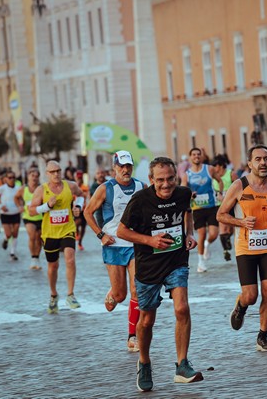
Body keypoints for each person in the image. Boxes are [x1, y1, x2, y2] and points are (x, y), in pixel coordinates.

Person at [116, 157, 203, 391]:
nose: (166, 185)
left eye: (170, 179)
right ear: (152, 180)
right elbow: (121, 231)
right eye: (161, 180)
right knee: (147, 320)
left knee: (182, 308)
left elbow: (187, 213)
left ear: (176, 177)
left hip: (176, 260)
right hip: (148, 266)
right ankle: (144, 363)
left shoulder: (183, 194)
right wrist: (149, 240)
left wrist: (189, 234)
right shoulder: (140, 201)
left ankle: (182, 365)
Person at [217, 145, 267, 351]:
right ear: (250, 163)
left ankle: (262, 336)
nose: (263, 163)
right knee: (251, 295)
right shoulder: (239, 186)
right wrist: (241, 222)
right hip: (246, 248)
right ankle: (241, 306)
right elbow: (221, 214)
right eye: (258, 159)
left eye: (266, 159)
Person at [84, 150, 146, 353]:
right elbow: (87, 212)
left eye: (128, 166)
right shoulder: (105, 188)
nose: (125, 170)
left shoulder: (140, 186)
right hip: (113, 245)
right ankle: (113, 291)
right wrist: (100, 234)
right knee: (120, 296)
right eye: (122, 166)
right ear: (114, 168)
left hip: (134, 244)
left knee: (137, 290)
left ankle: (132, 336)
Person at [29, 160, 86, 314]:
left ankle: (70, 294)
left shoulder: (70, 185)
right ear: (47, 174)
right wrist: (47, 206)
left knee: (70, 258)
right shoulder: (41, 190)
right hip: (50, 233)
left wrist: (78, 207)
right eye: (52, 172)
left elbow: (81, 195)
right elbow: (32, 210)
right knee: (53, 266)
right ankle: (53, 295)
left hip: (67, 229)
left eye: (58, 171)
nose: (56, 174)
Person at [181, 147, 223, 272]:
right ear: (190, 157)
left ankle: (207, 245)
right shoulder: (187, 175)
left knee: (214, 234)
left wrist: (220, 192)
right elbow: (183, 190)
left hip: (211, 206)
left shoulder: (209, 169)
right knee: (202, 234)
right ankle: (200, 262)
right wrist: (189, 194)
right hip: (197, 208)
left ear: (201, 156)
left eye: (198, 154)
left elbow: (219, 181)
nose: (196, 156)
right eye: (193, 154)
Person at [14, 169, 44, 269]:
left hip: (40, 216)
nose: (34, 178)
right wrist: (20, 206)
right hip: (28, 217)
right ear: (28, 176)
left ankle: (37, 258)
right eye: (32, 175)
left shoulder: (42, 188)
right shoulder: (23, 189)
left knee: (39, 238)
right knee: (32, 236)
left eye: (36, 176)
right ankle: (32, 258)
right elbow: (16, 197)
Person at [211, 155, 237, 261]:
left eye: (215, 166)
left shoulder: (231, 174)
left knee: (231, 227)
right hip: (219, 204)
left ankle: (229, 238)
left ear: (221, 165)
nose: (214, 168)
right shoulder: (213, 176)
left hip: (232, 203)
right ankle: (225, 250)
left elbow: (239, 186)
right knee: (222, 227)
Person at [0, 171, 22, 261]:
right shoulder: (1, 188)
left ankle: (12, 253)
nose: (12, 179)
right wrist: (1, 206)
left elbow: (21, 199)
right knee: (9, 234)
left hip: (16, 213)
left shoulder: (18, 188)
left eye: (13, 177)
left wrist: (21, 206)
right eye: (9, 177)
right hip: (5, 214)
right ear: (5, 179)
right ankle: (5, 239)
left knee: (15, 234)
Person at [74, 170, 89, 251]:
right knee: (76, 223)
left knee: (83, 227)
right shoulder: (73, 187)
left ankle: (80, 242)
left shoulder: (85, 187)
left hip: (84, 209)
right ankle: (76, 232)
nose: (79, 179)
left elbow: (86, 196)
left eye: (80, 178)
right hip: (76, 209)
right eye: (78, 178)